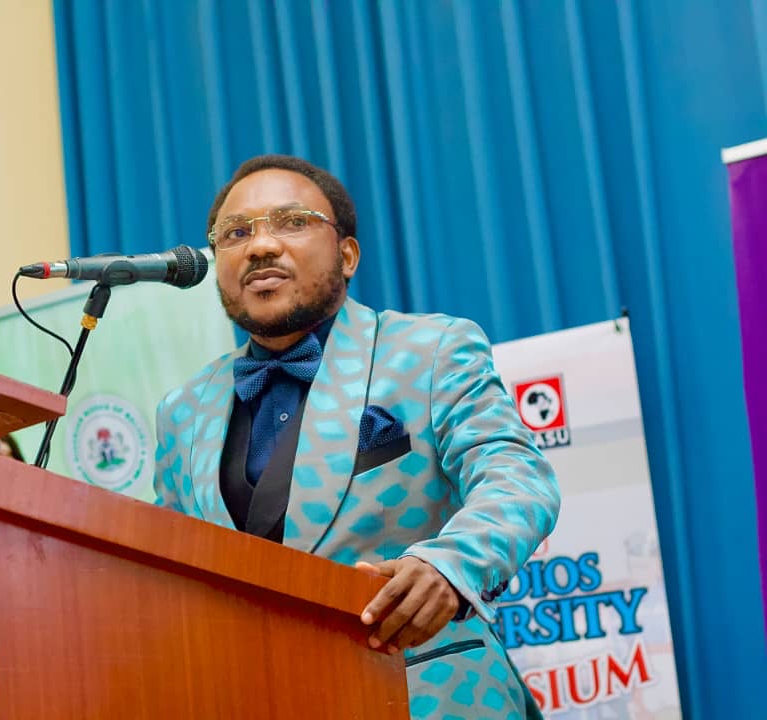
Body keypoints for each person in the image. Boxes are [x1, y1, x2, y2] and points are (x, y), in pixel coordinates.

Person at [153, 154, 560, 718]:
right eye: (236, 233)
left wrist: (451, 565)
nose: (260, 246)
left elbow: (519, 480)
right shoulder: (181, 412)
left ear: (347, 255)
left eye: (292, 222)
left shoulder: (431, 351)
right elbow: (169, 577)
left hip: (426, 694)